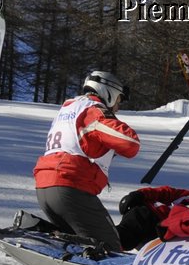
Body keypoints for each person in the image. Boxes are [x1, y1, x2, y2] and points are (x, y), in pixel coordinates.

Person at [33, 70, 141, 251]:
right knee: (111, 247)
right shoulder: (93, 110)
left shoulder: (68, 108)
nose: (118, 107)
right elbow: (130, 143)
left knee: (79, 242)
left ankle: (41, 230)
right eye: (119, 100)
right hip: (71, 189)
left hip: (45, 187)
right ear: (109, 92)